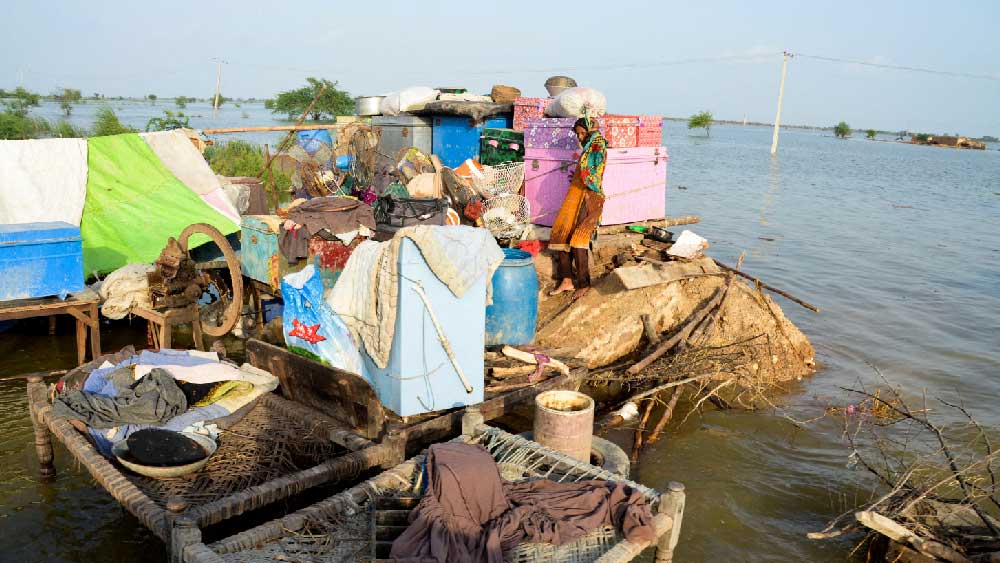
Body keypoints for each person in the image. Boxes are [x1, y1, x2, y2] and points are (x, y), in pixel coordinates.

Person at [548, 116, 607, 299]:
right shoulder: (589, 146)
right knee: (561, 233)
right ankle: (566, 279)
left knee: (579, 238)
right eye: (577, 134)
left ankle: (584, 283)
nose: (579, 138)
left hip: (590, 196)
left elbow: (594, 172)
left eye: (582, 133)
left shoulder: (597, 145)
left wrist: (583, 176)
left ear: (589, 131)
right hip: (576, 194)